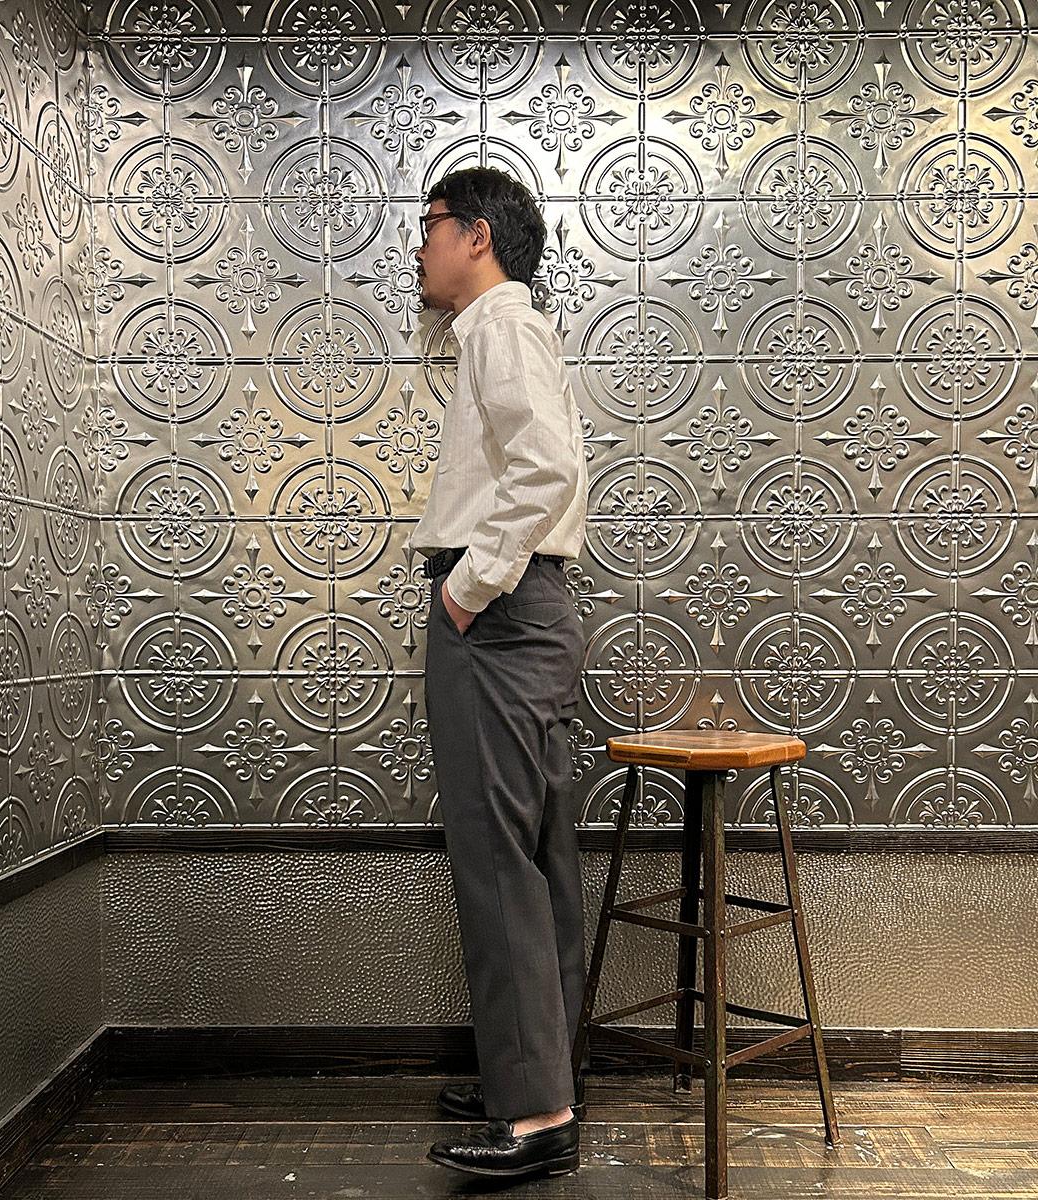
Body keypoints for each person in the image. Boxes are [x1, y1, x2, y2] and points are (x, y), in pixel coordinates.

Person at [405, 166, 590, 1179]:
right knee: (535, 855)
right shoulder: (505, 329)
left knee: (497, 859)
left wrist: (467, 591)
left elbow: (544, 469)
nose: (419, 246)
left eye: (430, 225)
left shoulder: (500, 327)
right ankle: (542, 1082)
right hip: (533, 612)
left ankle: (536, 1116)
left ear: (476, 235)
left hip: (502, 617)